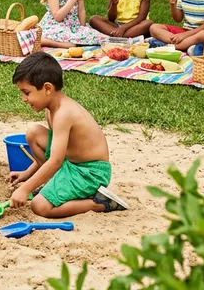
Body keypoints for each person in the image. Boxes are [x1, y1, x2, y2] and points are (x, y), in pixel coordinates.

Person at [8, 52, 128, 217]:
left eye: (27, 92)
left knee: (40, 206)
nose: (23, 98)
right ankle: (54, 185)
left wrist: (25, 188)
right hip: (71, 163)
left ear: (47, 88)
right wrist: (27, 174)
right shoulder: (51, 111)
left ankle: (99, 203)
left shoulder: (64, 114)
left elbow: (55, 160)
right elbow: (55, 154)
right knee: (34, 133)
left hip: (90, 173)